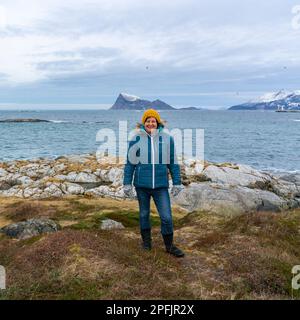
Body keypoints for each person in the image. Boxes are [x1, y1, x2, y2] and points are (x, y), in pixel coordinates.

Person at [123, 109, 185, 257]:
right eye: (148, 121)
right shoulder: (136, 139)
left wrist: (177, 182)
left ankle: (169, 246)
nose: (151, 123)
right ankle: (146, 244)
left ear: (157, 123)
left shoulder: (167, 139)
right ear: (143, 123)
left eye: (153, 121)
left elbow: (173, 162)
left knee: (166, 217)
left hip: (160, 186)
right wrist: (127, 183)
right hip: (141, 185)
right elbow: (130, 163)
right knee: (144, 215)